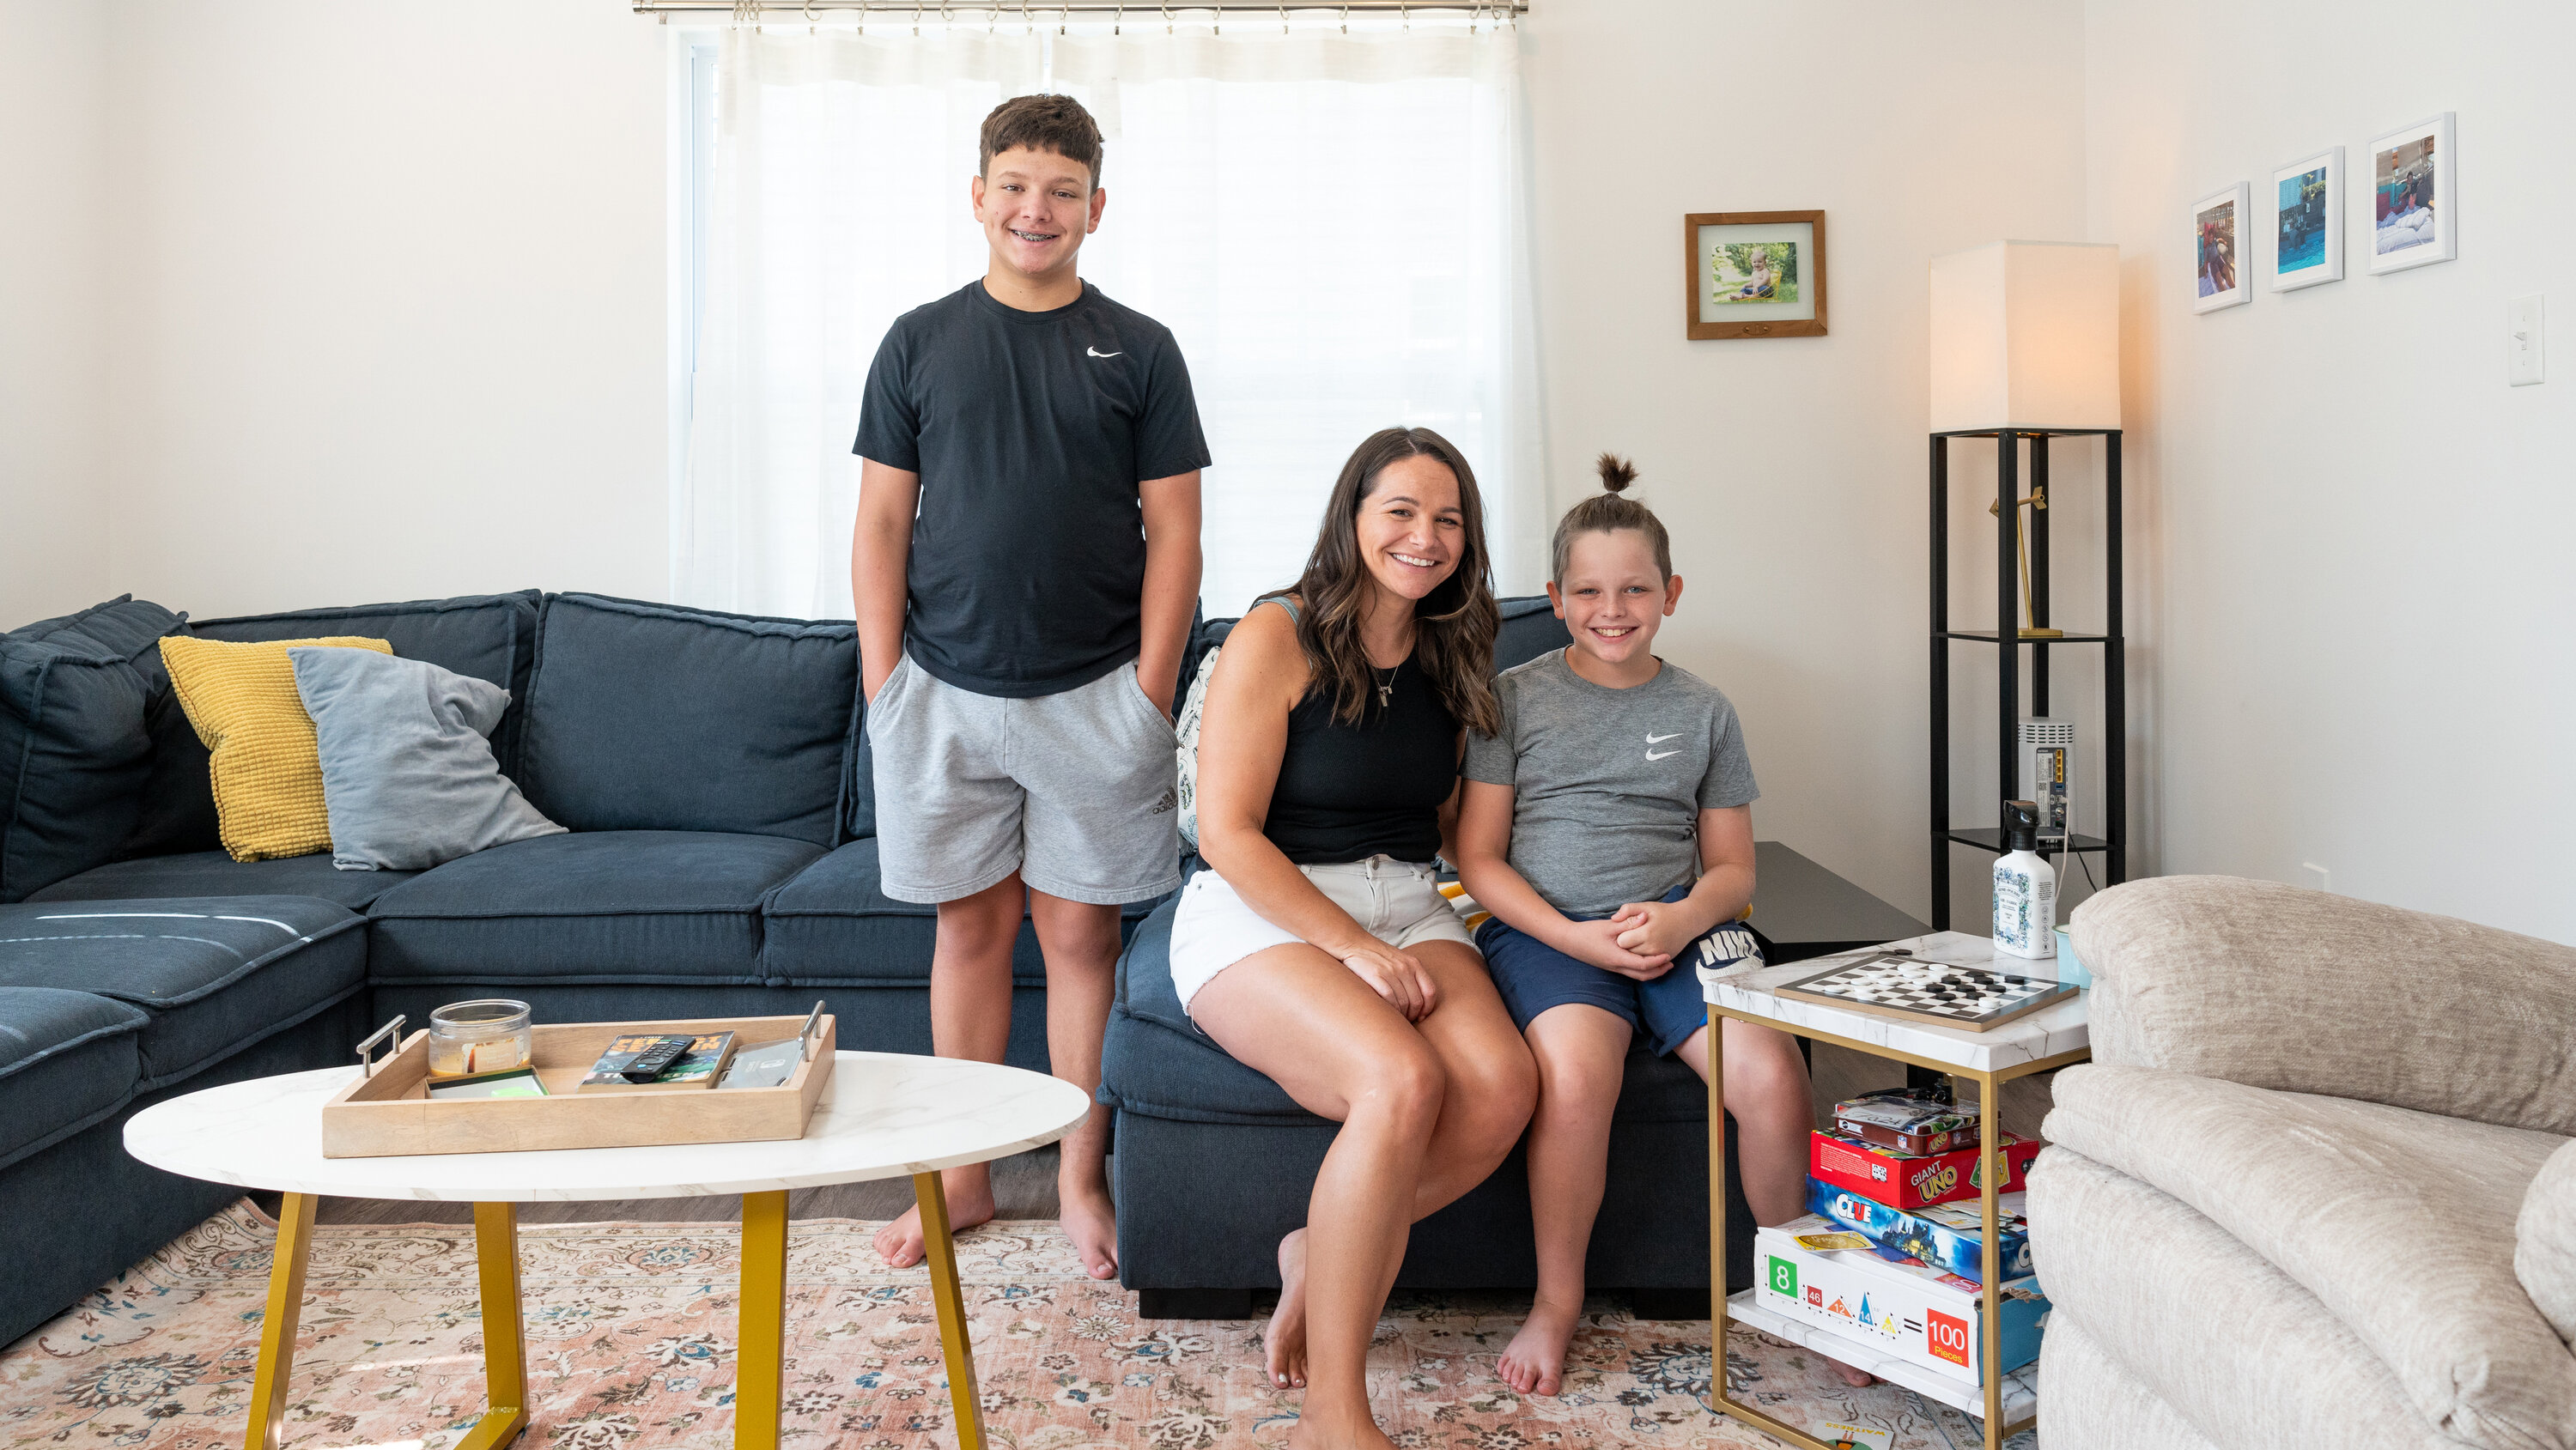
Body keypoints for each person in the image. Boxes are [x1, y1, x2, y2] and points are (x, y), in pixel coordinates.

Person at [851, 93, 1208, 1281]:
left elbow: (1178, 537)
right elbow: (882, 524)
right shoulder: (915, 341)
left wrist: (1152, 695)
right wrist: (885, 682)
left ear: (1096, 209)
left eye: (1061, 190)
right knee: (969, 930)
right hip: (941, 691)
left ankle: (1076, 1179)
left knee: (1079, 939)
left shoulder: (1141, 348)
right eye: (1015, 184)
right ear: (978, 195)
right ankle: (959, 1186)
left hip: (1099, 692)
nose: (1036, 208)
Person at [1453, 454, 1863, 1396]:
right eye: (1589, 589)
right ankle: (1558, 1300)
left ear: (1670, 593)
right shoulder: (1512, 702)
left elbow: (1734, 870)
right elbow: (1478, 860)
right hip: (1552, 937)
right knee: (1577, 1077)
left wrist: (1679, 921)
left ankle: (1796, 1288)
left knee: (1767, 1070)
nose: (1613, 607)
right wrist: (1574, 938)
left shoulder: (1705, 710)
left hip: (1683, 929)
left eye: (1635, 587)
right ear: (1555, 598)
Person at [1180, 427, 1537, 1450]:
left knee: (1505, 1087)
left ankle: (1314, 1246)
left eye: (1449, 520)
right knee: (1402, 1083)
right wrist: (1350, 945)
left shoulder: (1456, 646)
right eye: (1401, 512)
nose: (1425, 538)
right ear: (1353, 517)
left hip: (1411, 900)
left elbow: (1453, 833)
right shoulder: (1275, 634)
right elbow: (1226, 834)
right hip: (1265, 905)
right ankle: (1334, 1413)